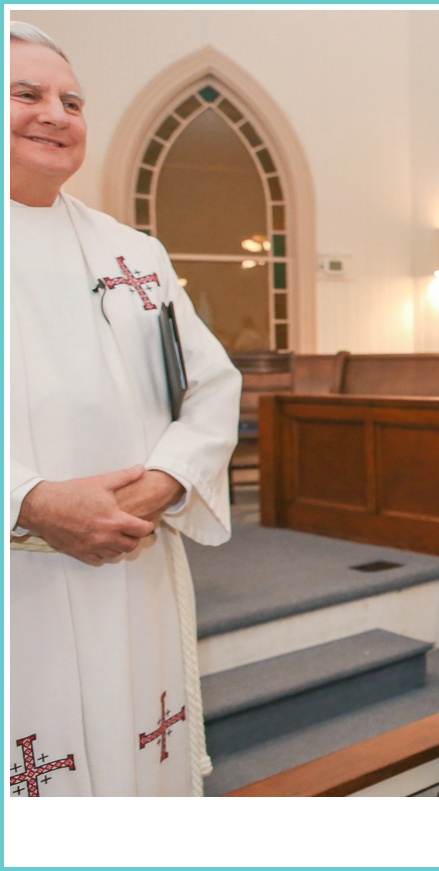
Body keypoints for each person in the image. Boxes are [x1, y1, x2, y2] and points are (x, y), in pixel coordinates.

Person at [8, 22, 241, 796]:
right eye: (26, 94)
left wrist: (166, 480)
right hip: (21, 581)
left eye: (71, 100)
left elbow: (213, 384)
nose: (55, 113)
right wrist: (32, 500)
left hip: (131, 566)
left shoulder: (134, 253)